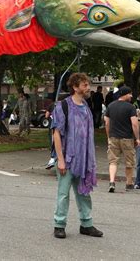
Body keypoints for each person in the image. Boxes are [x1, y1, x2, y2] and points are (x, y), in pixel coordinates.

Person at [51, 73, 102, 239]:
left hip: (83, 159)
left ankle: (86, 224)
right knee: (63, 194)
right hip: (67, 158)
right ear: (75, 87)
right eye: (85, 85)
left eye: (88, 84)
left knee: (84, 193)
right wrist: (60, 159)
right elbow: (56, 133)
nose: (88, 88)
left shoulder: (86, 106)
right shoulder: (63, 106)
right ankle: (59, 225)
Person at [104, 86, 140, 192]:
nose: (131, 96)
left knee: (113, 161)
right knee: (129, 162)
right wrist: (137, 138)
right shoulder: (130, 107)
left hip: (113, 137)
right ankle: (129, 183)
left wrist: (108, 136)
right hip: (127, 138)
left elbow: (106, 122)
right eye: (130, 94)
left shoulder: (110, 106)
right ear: (125, 94)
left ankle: (112, 182)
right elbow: (134, 124)